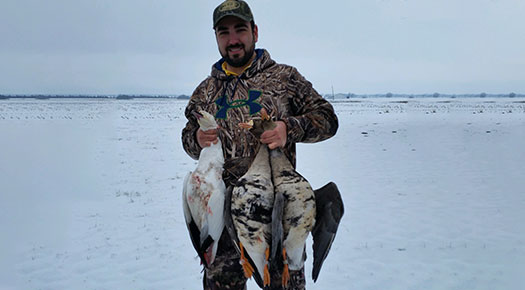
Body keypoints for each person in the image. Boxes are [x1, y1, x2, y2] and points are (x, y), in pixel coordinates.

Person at [181, 0, 338, 289]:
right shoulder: (205, 91)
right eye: (224, 33)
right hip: (222, 215)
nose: (233, 40)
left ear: (254, 31)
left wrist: (288, 128)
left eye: (240, 30)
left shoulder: (285, 78)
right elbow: (189, 138)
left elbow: (327, 119)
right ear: (216, 37)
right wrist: (196, 139)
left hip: (278, 214)